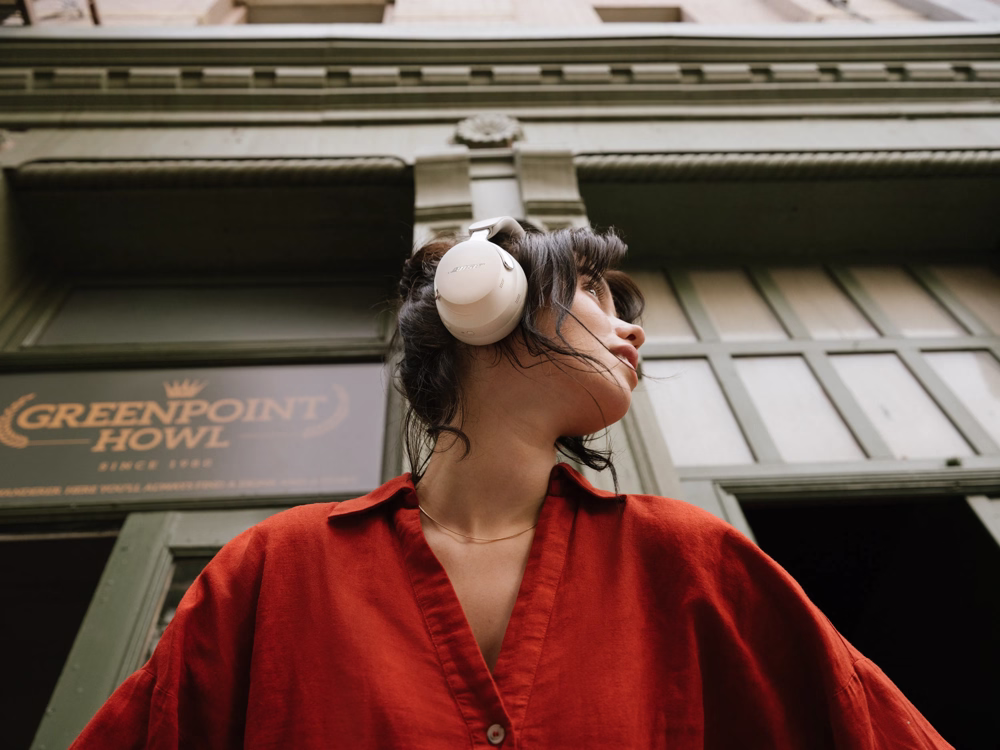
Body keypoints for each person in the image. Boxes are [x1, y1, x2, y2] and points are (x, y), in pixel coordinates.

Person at [70, 221, 953, 749]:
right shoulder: (275, 570)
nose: (634, 335)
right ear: (482, 294)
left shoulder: (694, 561)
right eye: (599, 294)